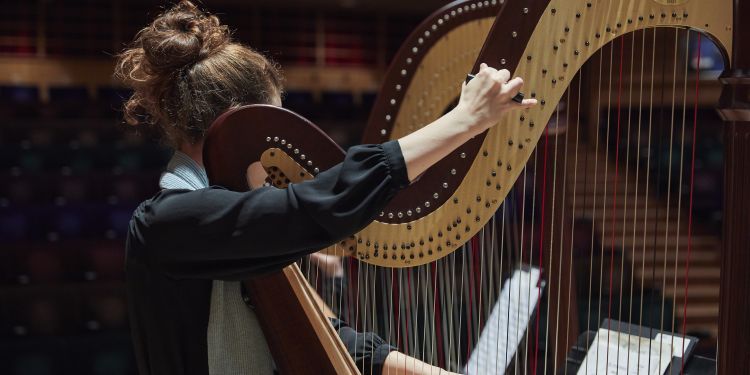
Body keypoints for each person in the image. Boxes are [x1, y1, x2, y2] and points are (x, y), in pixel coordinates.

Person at [116, 2, 536, 375]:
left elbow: (326, 338)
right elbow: (317, 206)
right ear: (239, 125)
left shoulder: (228, 232)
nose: (278, 160)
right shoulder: (167, 223)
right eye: (274, 136)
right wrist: (465, 120)